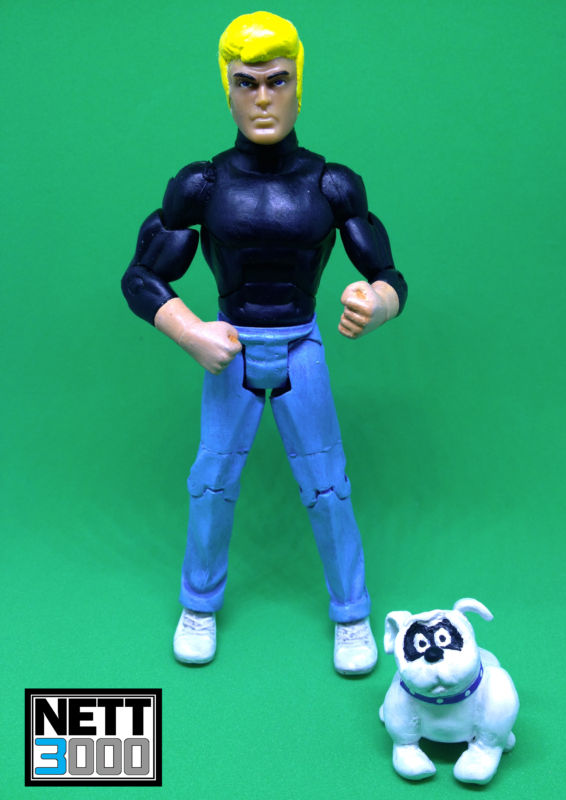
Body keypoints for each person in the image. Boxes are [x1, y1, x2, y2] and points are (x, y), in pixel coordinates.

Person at [121, 11, 407, 675]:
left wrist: (378, 304)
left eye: (276, 81)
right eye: (245, 83)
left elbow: (389, 275)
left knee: (328, 486)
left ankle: (352, 613)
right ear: (226, 91)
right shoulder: (202, 185)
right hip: (231, 348)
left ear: (299, 86)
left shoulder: (333, 184)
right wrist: (190, 332)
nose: (262, 99)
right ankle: (199, 604)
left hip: (302, 347)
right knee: (211, 483)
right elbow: (140, 277)